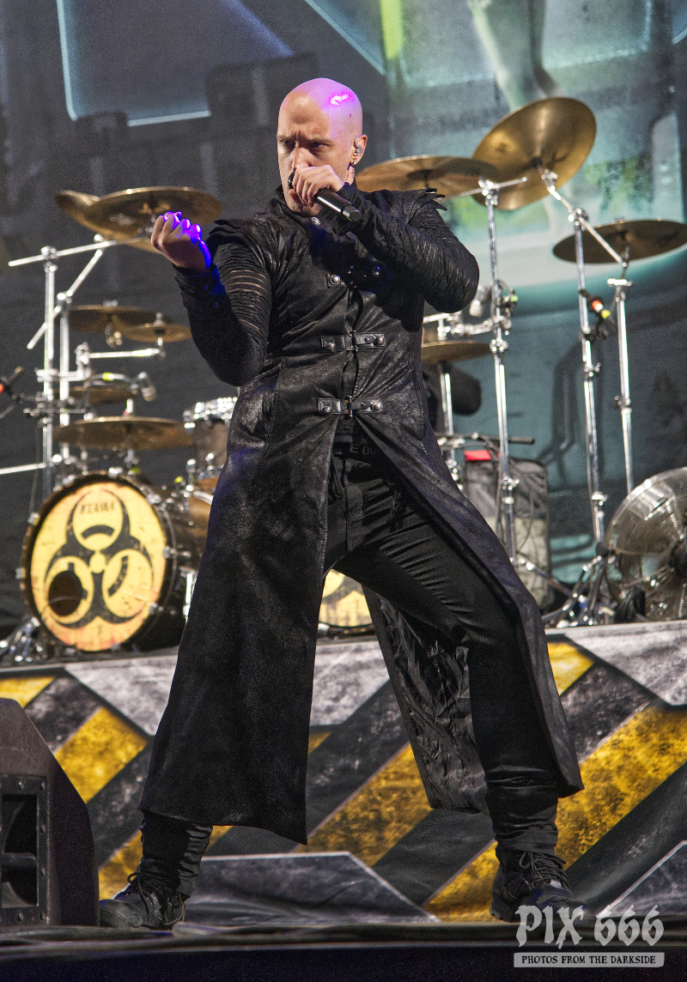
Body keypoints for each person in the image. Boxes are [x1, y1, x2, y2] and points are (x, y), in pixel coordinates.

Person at [99, 78, 590, 930]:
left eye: (314, 146)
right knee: (218, 659)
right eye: (286, 144)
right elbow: (237, 358)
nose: (297, 160)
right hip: (283, 475)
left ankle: (526, 866)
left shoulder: (406, 215)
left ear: (354, 150)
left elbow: (454, 284)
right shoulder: (250, 236)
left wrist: (352, 211)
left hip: (391, 478)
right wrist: (196, 275)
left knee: (499, 614)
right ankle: (160, 882)